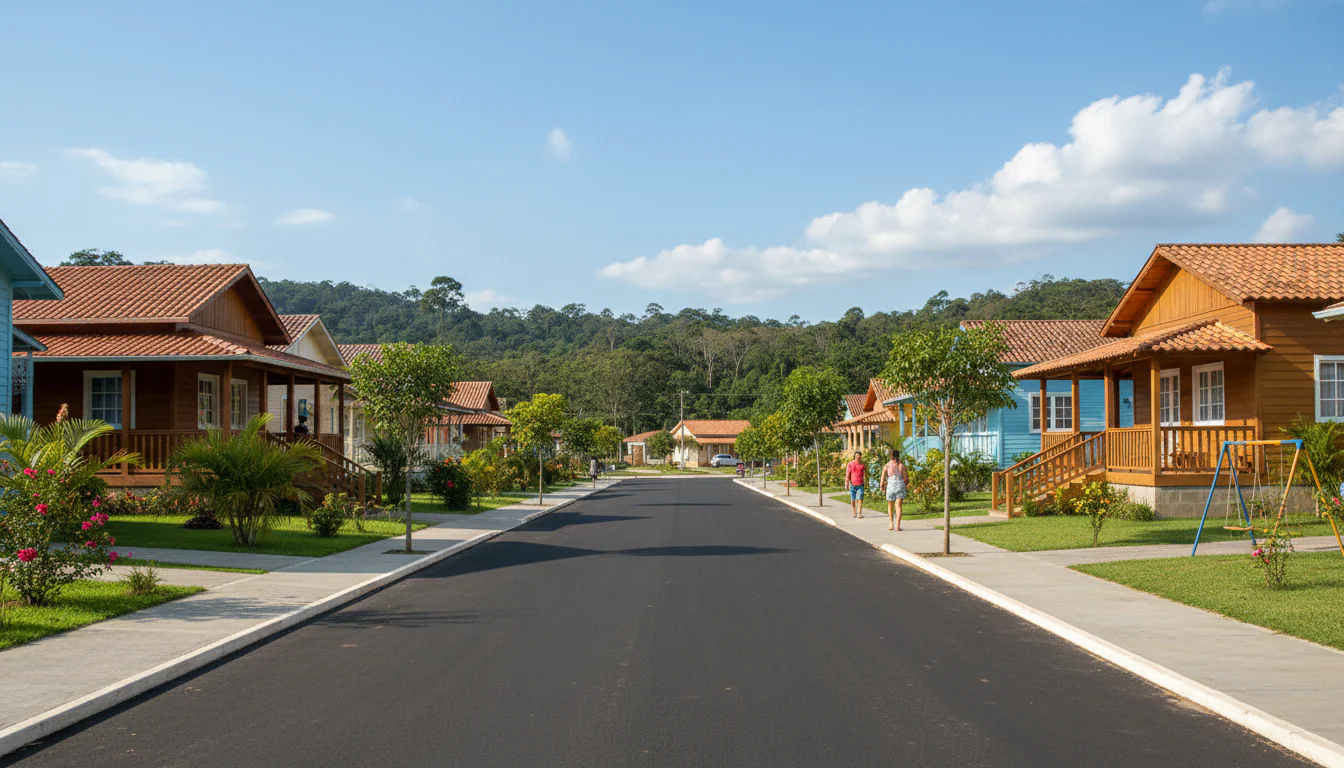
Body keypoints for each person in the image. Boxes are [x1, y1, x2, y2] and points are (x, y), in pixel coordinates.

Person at [880, 449, 909, 531]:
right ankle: (897, 526)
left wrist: (882, 486)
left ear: (891, 456)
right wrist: (904, 485)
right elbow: (906, 478)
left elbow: (882, 478)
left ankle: (891, 524)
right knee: (898, 506)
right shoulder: (901, 466)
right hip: (900, 485)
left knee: (890, 505)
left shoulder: (887, 465)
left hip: (890, 486)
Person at [846, 450, 866, 518]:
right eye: (856, 455)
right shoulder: (850, 464)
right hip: (852, 484)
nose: (857, 457)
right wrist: (847, 483)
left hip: (860, 484)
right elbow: (848, 474)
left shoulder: (863, 464)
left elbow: (865, 474)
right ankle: (854, 513)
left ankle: (859, 513)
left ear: (861, 456)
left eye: (859, 455)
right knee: (853, 499)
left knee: (860, 499)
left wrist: (866, 481)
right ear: (854, 456)